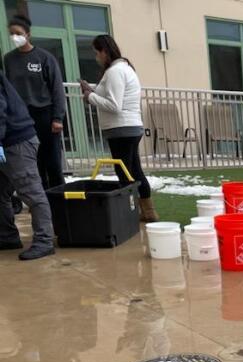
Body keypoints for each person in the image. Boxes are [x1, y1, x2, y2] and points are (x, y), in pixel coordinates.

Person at [80, 34, 157, 222]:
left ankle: (131, 213)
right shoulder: (125, 69)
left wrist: (90, 96)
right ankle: (148, 212)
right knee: (134, 170)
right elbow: (113, 97)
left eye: (96, 52)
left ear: (105, 52)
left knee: (125, 173)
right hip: (129, 127)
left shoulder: (115, 71)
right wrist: (92, 91)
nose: (95, 56)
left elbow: (114, 105)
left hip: (121, 129)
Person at [4, 15, 66, 190]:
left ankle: (60, 202)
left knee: (53, 162)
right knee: (34, 162)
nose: (15, 37)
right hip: (22, 118)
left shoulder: (44, 57)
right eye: (12, 34)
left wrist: (58, 117)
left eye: (18, 33)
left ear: (28, 34)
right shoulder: (9, 59)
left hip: (45, 114)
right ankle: (42, 203)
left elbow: (57, 88)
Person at [0, 70, 56, 260]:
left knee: (31, 192)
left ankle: (44, 241)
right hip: (9, 141)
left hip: (17, 142)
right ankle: (7, 237)